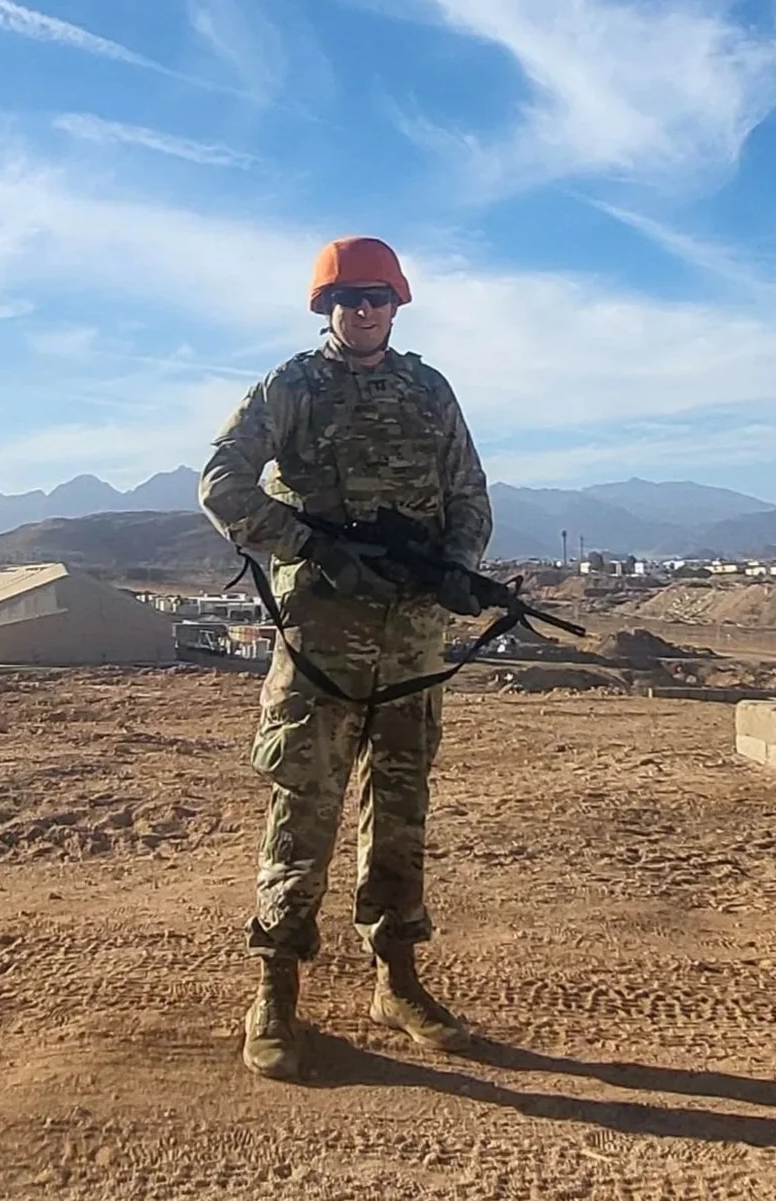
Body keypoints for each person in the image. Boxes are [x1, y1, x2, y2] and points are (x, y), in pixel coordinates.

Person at [198, 235, 492, 1081]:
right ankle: (276, 991)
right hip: (323, 639)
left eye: (377, 296)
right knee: (305, 809)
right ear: (325, 307)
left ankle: (397, 979)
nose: (362, 310)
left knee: (401, 808)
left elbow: (470, 495)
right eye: (347, 298)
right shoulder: (290, 388)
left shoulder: (429, 391)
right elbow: (222, 481)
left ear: (399, 303)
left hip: (409, 642)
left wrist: (453, 573)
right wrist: (308, 548)